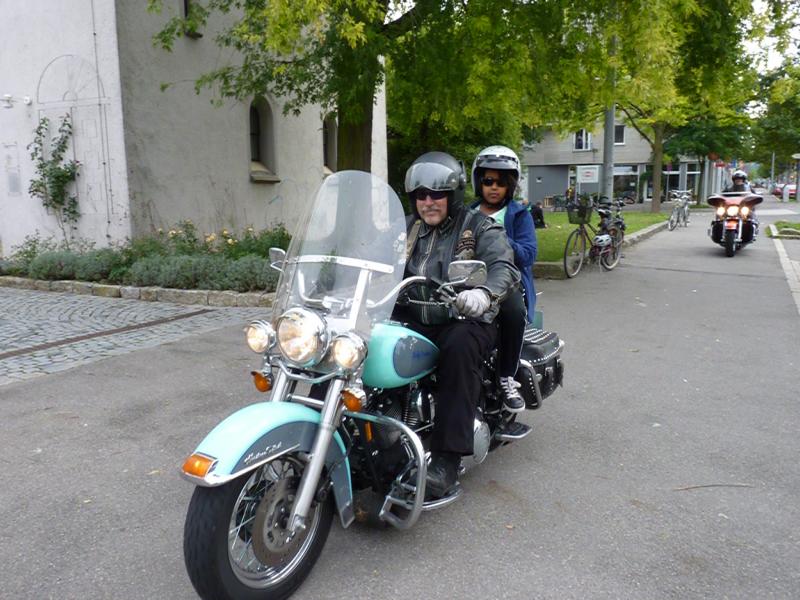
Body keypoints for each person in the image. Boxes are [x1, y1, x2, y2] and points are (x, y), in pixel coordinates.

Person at [398, 151, 520, 498]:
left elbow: (503, 266)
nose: (428, 202)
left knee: (460, 346)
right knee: (363, 341)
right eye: (420, 194)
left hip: (462, 317)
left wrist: (484, 293)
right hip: (415, 314)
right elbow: (371, 256)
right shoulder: (405, 229)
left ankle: (446, 461)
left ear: (452, 195)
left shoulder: (478, 226)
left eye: (436, 194)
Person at [470, 146, 538, 413]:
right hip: (468, 279)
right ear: (479, 182)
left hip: (507, 281)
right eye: (488, 181)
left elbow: (529, 254)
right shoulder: (467, 213)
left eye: (501, 182)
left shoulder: (519, 215)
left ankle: (507, 376)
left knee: (513, 311)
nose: (494, 187)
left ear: (510, 185)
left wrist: (497, 240)